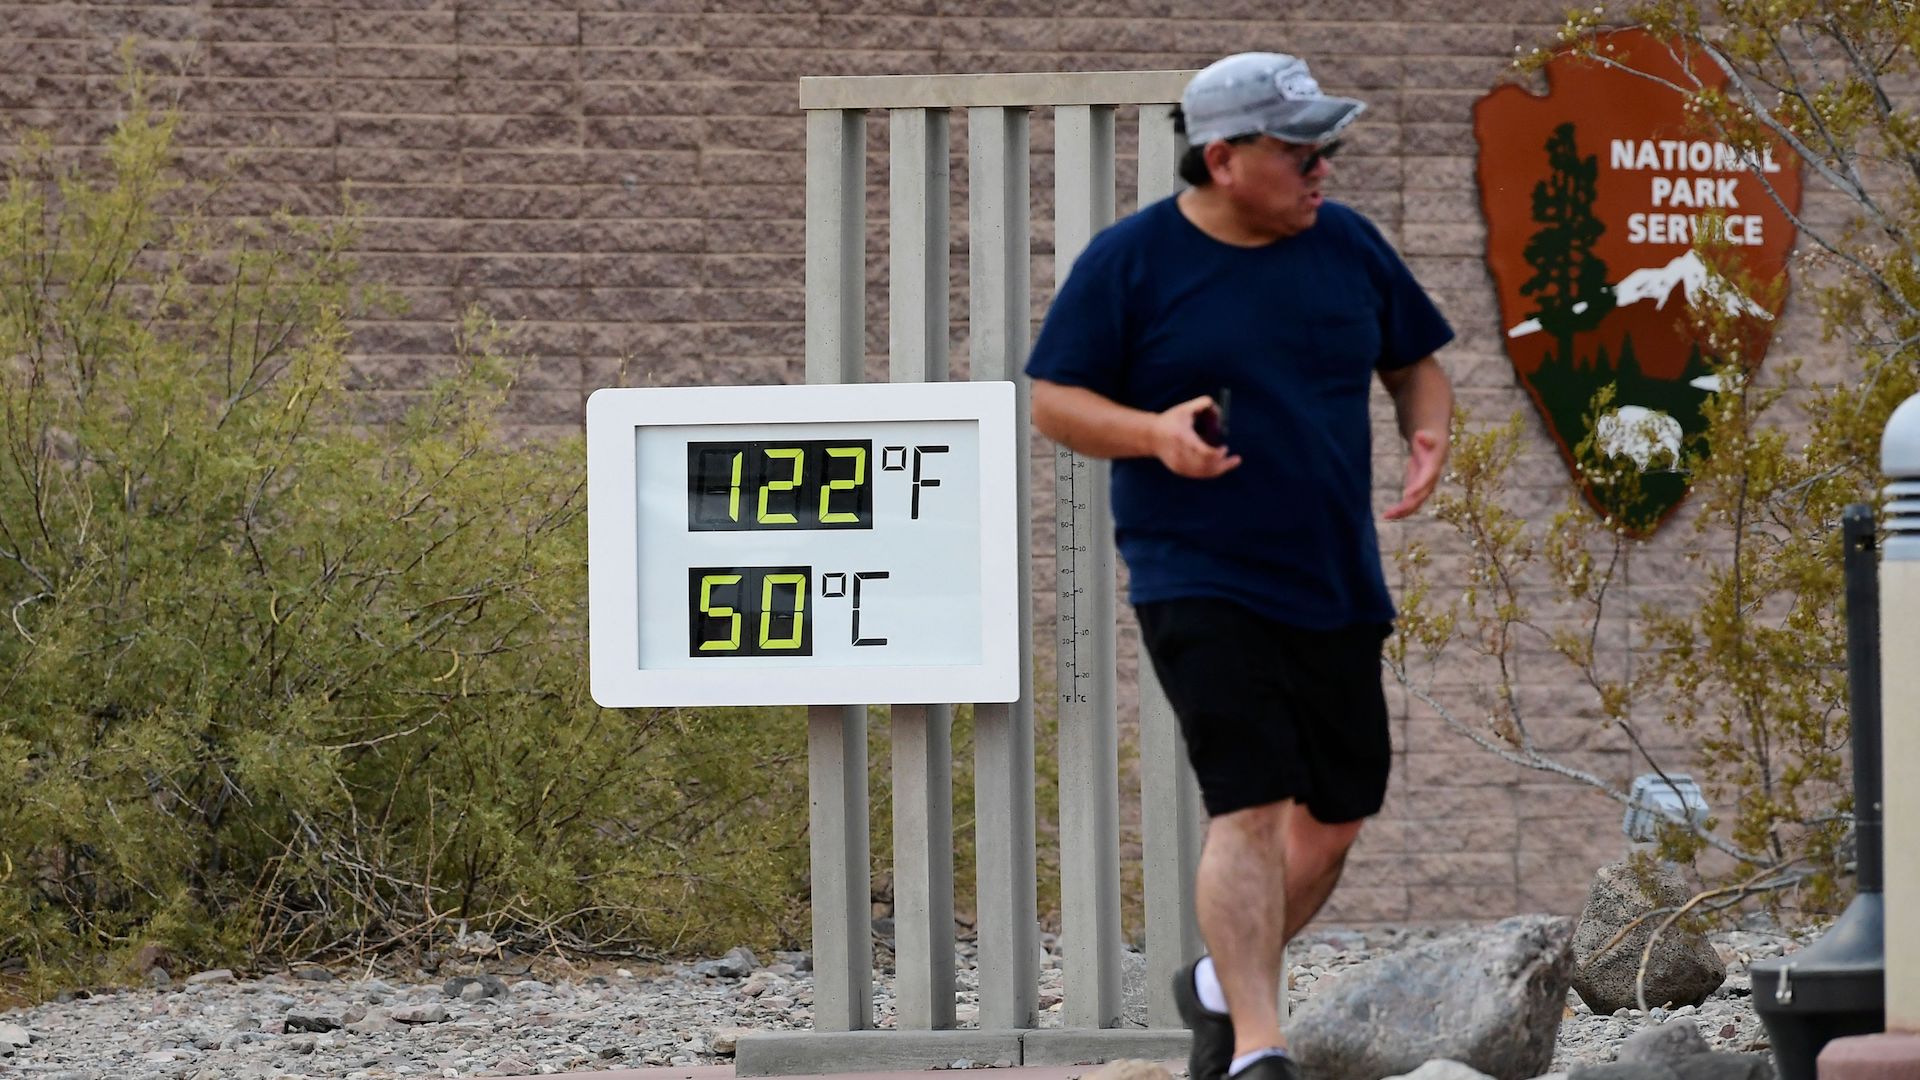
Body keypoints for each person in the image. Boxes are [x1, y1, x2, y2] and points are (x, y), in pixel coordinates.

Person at [1023, 52, 1456, 1080]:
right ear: (1223, 157)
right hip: (1197, 570)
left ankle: (1216, 986)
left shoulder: (1347, 244)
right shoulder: (1131, 263)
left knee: (1338, 812)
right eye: (1303, 151)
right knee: (1251, 800)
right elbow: (1053, 401)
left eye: (1327, 149)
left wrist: (1426, 429)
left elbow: (1412, 361)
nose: (1324, 170)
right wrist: (1153, 433)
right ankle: (1260, 1047)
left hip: (1334, 574)